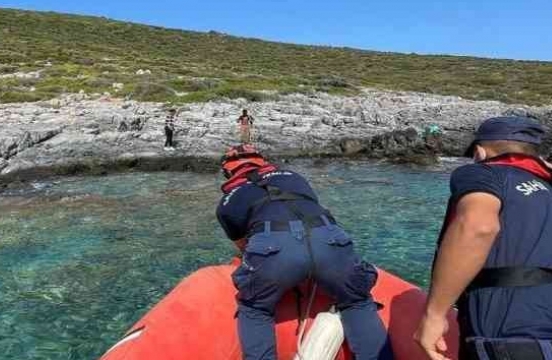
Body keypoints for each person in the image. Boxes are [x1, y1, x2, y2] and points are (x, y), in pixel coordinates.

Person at [216, 144, 393, 360]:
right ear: (263, 163)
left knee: (255, 309)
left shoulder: (227, 204)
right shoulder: (293, 177)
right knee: (357, 301)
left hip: (274, 247)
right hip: (328, 237)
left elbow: (245, 247)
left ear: (228, 172)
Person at [414, 116, 552, 360]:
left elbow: (478, 227)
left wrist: (434, 315)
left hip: (508, 334)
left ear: (479, 152)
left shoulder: (484, 173)